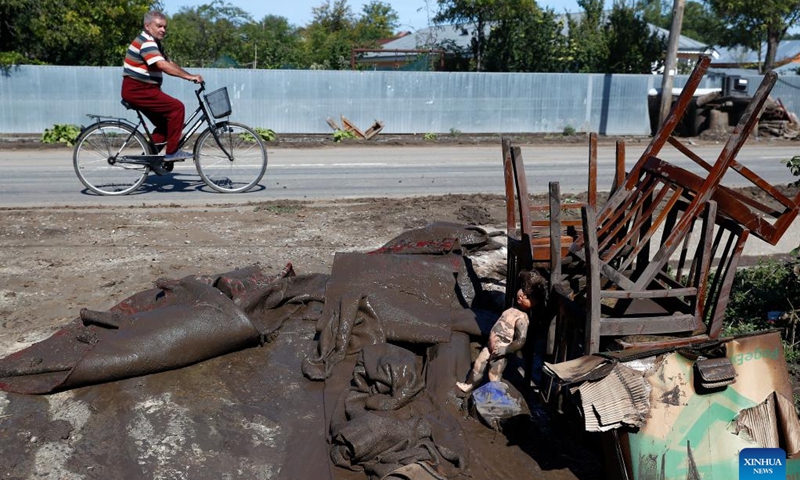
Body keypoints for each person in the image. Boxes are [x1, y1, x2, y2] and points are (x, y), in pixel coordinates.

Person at [121, 10, 203, 161]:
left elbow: (168, 62)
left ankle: (150, 158)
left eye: (165, 27)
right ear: (147, 26)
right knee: (177, 108)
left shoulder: (154, 43)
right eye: (159, 26)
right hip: (138, 89)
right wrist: (188, 77)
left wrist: (190, 76)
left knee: (167, 125)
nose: (163, 30)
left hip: (144, 89)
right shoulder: (146, 42)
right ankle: (172, 152)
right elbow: (161, 65)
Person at [456, 270, 547, 393]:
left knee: (494, 373)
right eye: (523, 291)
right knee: (478, 365)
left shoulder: (522, 319)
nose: (522, 295)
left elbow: (521, 340)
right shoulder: (511, 309)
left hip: (501, 349)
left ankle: (495, 394)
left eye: (528, 297)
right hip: (490, 345)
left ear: (534, 303)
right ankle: (469, 385)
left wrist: (505, 349)